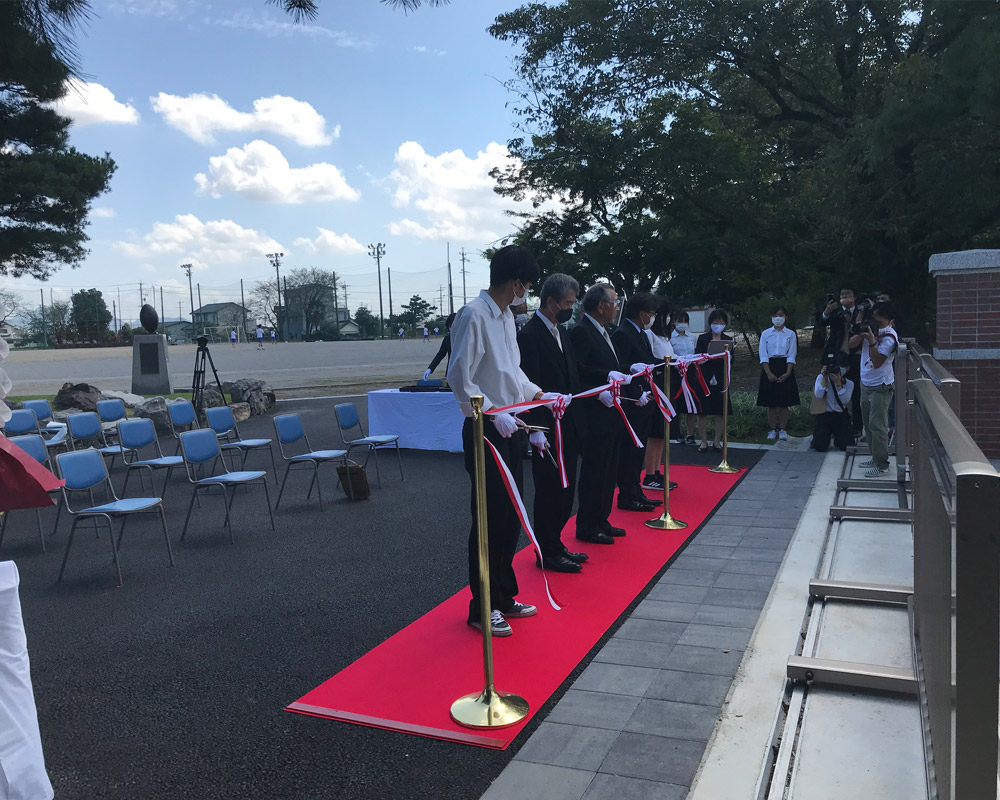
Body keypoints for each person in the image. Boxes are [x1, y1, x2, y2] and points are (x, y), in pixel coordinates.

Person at [447, 244, 544, 638]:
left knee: (509, 516)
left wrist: (539, 394)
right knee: (488, 519)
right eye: (527, 286)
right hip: (485, 425)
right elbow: (459, 378)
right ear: (516, 283)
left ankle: (503, 596)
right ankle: (481, 606)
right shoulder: (473, 315)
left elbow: (513, 372)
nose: (527, 294)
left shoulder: (505, 318)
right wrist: (490, 411)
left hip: (510, 423)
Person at [517, 273, 588, 574]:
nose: (571, 308)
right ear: (550, 302)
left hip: (568, 423)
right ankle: (546, 549)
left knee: (565, 488)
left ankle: (556, 543)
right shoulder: (530, 335)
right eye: (568, 303)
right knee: (548, 491)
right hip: (546, 428)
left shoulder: (562, 332)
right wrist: (535, 428)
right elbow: (527, 382)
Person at [570, 283, 628, 545]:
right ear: (601, 305)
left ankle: (601, 518)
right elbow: (578, 371)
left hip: (612, 411)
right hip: (595, 412)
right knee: (595, 470)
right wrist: (599, 386)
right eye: (614, 302)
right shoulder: (582, 331)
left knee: (610, 468)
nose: (616, 308)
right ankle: (587, 524)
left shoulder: (604, 331)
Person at [612, 293, 660, 513]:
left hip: (645, 397)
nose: (653, 318)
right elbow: (622, 368)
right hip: (634, 400)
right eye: (651, 314)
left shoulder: (640, 333)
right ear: (642, 314)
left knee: (638, 448)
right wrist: (635, 393)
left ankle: (635, 490)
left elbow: (647, 362)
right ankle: (627, 493)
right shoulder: (623, 333)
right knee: (631, 449)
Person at [851, 300, 898, 477]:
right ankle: (874, 456)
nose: (876, 326)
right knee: (868, 424)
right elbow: (851, 345)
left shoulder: (890, 337)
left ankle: (882, 464)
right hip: (865, 383)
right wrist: (861, 330)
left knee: (878, 425)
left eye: (880, 323)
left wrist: (871, 341)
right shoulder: (869, 330)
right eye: (874, 321)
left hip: (881, 385)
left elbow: (878, 362)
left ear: (890, 322)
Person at [642, 298, 677, 492]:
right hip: (656, 386)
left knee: (663, 434)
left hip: (668, 386)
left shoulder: (665, 337)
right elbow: (653, 360)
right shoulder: (650, 335)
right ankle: (649, 474)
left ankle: (656, 470)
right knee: (655, 433)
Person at [820, 286, 864, 436]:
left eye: (848, 295)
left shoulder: (861, 311)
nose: (845, 297)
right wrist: (827, 311)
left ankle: (857, 426)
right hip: (836, 355)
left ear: (854, 297)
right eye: (842, 295)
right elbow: (822, 323)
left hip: (856, 356)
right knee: (833, 388)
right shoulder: (836, 312)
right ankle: (836, 425)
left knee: (856, 392)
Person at [756, 305, 800, 441]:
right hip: (770, 365)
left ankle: (782, 429)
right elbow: (762, 354)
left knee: (784, 402)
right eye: (775, 315)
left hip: (785, 365)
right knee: (771, 402)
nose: (778, 318)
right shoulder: (766, 333)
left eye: (781, 315)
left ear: (785, 317)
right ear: (771, 317)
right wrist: (768, 373)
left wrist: (788, 372)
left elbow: (792, 353)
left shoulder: (791, 334)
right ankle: (772, 429)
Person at [694, 309, 734, 452]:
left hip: (721, 378)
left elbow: (732, 360)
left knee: (720, 411)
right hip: (704, 378)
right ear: (710, 323)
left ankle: (717, 441)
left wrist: (726, 357)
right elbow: (696, 357)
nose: (718, 325)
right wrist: (707, 355)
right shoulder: (703, 339)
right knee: (703, 411)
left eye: (721, 322)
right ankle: (703, 441)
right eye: (715, 322)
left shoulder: (728, 340)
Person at [811, 352, 854, 452]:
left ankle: (838, 439)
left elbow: (845, 400)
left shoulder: (849, 383)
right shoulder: (821, 378)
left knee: (846, 446)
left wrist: (838, 383)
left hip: (840, 415)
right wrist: (825, 378)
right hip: (824, 415)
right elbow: (818, 395)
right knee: (820, 446)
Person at [669, 310, 697, 444]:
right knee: (677, 403)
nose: (682, 324)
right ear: (674, 322)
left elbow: (695, 353)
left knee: (691, 404)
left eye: (685, 321)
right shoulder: (669, 337)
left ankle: (690, 434)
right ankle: (678, 433)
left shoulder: (692, 337)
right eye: (680, 321)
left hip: (690, 372)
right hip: (676, 372)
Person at [423, 312, 456, 380]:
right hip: (450, 372)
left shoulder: (468, 339)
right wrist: (430, 369)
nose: (451, 328)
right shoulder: (448, 339)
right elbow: (441, 354)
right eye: (449, 326)